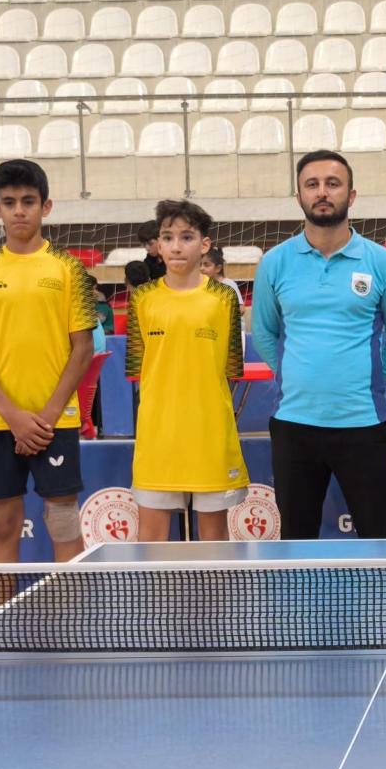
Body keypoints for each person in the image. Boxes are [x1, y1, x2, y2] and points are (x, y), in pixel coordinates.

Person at [252, 150, 386, 539]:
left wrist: (368, 382)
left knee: (378, 539)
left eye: (333, 183)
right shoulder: (275, 263)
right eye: (312, 184)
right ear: (299, 196)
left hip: (363, 425)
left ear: (351, 195)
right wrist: (294, 375)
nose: (322, 192)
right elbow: (264, 333)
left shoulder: (383, 263)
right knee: (297, 541)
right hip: (293, 426)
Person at [0, 159, 97, 562]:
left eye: (28, 201)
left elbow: (83, 348)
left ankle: (72, 608)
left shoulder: (69, 269)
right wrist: (13, 415)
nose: (19, 210)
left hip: (56, 420)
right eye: (10, 202)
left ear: (45, 207)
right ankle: (5, 609)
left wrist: (48, 415)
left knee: (63, 521)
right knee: (3, 524)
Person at [125, 199, 247, 542]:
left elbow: (231, 368)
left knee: (214, 543)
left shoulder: (225, 299)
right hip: (157, 438)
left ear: (205, 244)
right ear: (159, 244)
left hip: (210, 435)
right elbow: (136, 368)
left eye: (187, 237)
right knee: (151, 541)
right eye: (168, 237)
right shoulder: (141, 299)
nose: (176, 246)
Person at [124, 218, 165, 287]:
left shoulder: (175, 260)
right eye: (144, 245)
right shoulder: (149, 261)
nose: (147, 248)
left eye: (150, 244)